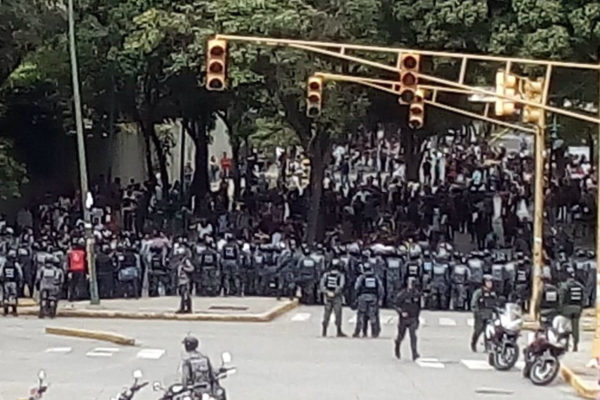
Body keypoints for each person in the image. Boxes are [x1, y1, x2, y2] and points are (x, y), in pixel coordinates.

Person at [394, 277, 422, 361]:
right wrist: (401, 312)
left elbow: (419, 308)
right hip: (404, 319)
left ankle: (414, 353)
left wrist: (417, 319)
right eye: (411, 283)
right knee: (401, 336)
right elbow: (395, 305)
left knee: (413, 336)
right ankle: (397, 346)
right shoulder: (402, 294)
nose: (412, 285)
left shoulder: (417, 294)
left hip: (413, 318)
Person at [353, 264, 384, 338]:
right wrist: (380, 299)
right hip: (373, 297)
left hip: (363, 297)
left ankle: (358, 332)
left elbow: (357, 287)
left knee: (361, 315)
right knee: (373, 315)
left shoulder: (361, 277)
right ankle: (374, 332)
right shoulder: (376, 277)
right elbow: (380, 289)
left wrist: (356, 297)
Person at [559, 267, 585, 351]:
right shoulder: (580, 286)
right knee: (575, 328)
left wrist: (560, 308)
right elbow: (584, 299)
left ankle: (566, 345)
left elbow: (561, 299)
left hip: (567, 308)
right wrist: (581, 308)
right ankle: (575, 345)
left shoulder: (565, 286)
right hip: (577, 308)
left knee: (566, 327)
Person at [319, 259, 346, 337]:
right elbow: (341, 285)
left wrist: (327, 292)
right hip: (337, 297)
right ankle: (338, 331)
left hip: (327, 296)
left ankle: (324, 331)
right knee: (338, 314)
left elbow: (322, 285)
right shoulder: (340, 275)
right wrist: (335, 292)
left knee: (326, 314)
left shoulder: (326, 275)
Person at [470, 275, 497, 352]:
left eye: (490, 282)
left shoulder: (492, 293)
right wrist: (476, 311)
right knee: (478, 330)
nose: (489, 284)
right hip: (480, 313)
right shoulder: (479, 292)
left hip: (489, 313)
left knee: (488, 331)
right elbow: (474, 302)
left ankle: (487, 346)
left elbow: (495, 302)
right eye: (487, 282)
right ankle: (473, 344)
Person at [0, 249, 23, 315]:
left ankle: (5, 311)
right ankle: (14, 310)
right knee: (13, 296)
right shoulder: (15, 264)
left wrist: (2, 280)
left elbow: (1, 273)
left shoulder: (4, 263)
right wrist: (21, 280)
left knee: (6, 296)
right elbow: (20, 273)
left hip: (6, 282)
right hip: (13, 282)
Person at [176, 246, 195, 314]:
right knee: (182, 294)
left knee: (185, 294)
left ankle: (187, 308)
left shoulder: (186, 261)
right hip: (181, 280)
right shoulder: (181, 261)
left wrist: (184, 269)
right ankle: (183, 307)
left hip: (185, 280)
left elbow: (192, 268)